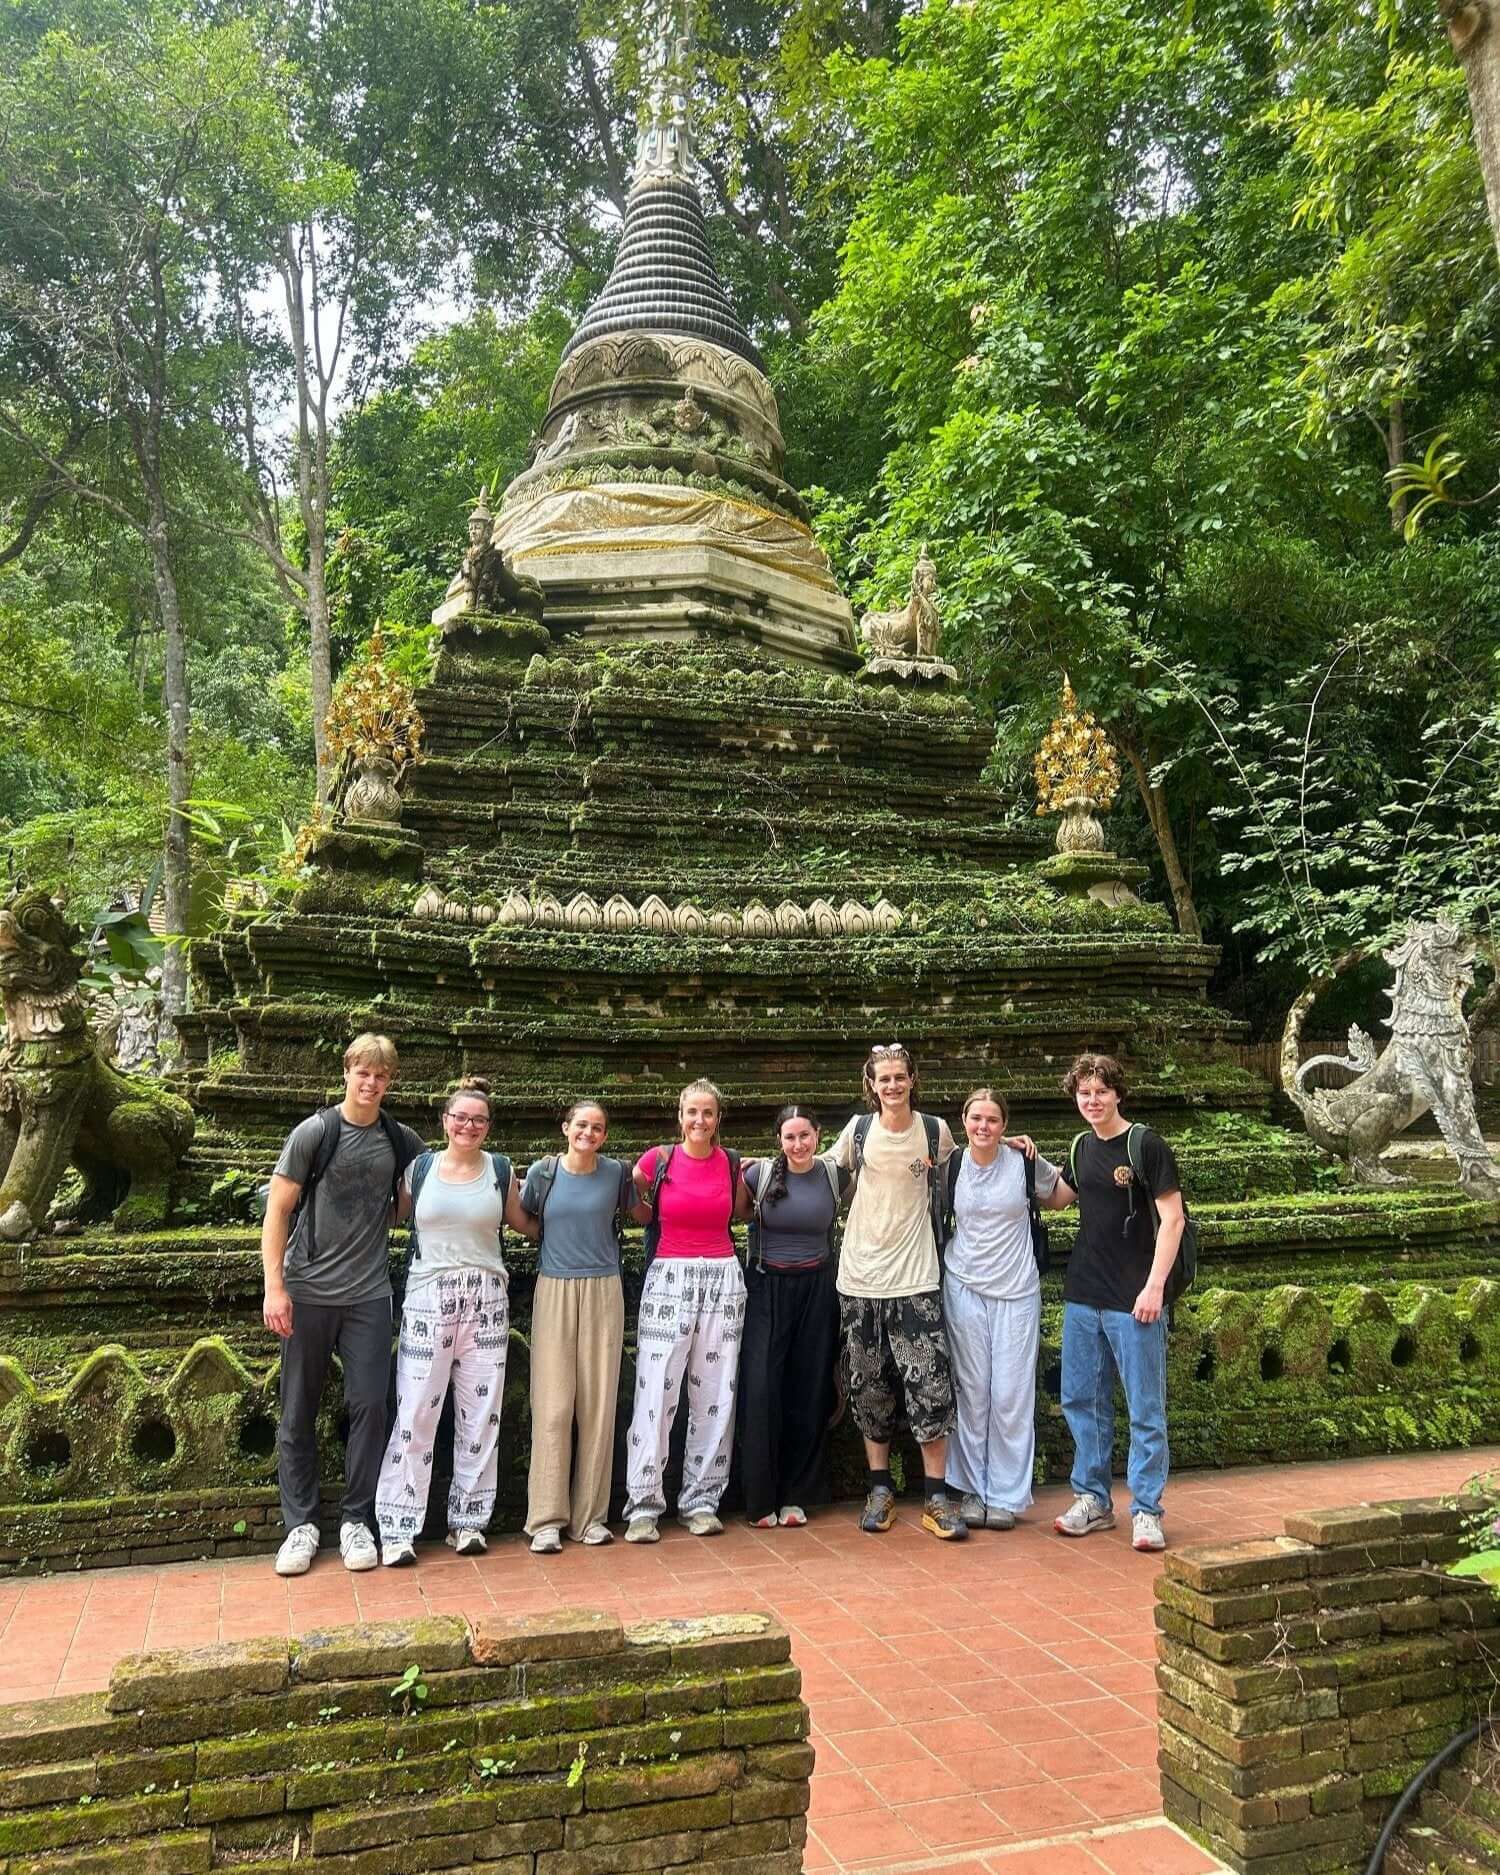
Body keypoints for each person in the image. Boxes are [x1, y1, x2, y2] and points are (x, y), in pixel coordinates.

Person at [261, 1033, 425, 1577]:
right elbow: (278, 1213)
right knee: (298, 1409)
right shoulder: (316, 1133)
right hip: (307, 1291)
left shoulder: (400, 1140)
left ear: (389, 1081)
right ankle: (301, 1525)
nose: (371, 1083)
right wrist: (275, 1287)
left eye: (381, 1076)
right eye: (363, 1073)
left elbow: (415, 1198)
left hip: (369, 1294)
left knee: (371, 1406)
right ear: (347, 1073)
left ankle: (357, 1520)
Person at [375, 1077, 534, 1566]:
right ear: (444, 1121)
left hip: (486, 1297)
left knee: (481, 1415)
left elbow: (526, 1223)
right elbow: (387, 1219)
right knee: (416, 1411)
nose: (468, 1125)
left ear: (488, 1127)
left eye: (478, 1119)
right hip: (428, 1296)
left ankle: (468, 1520)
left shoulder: (500, 1171)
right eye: (460, 1117)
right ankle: (398, 1526)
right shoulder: (419, 1170)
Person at [829, 1044, 967, 1540]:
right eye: (883, 1079)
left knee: (930, 1384)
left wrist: (1013, 1145)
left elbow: (966, 1168)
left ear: (913, 1079)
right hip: (860, 1279)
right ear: (872, 1085)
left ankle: (936, 1495)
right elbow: (825, 1175)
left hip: (917, 1279)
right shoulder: (857, 1132)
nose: (892, 1086)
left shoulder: (934, 1130)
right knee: (870, 1387)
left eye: (899, 1077)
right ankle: (881, 1488)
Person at [1050, 1052, 1184, 1554]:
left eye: (1101, 1091)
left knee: (1145, 1407)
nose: (1092, 1100)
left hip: (1135, 1299)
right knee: (1082, 1400)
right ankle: (1093, 1499)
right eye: (1084, 1093)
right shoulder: (1083, 1146)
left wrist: (1154, 1287)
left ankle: (1146, 1509)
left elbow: (1173, 1220)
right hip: (1084, 1294)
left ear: (1118, 1093)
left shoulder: (1145, 1144)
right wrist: (1011, 1152)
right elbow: (1059, 1197)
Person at [622, 1078, 750, 1543]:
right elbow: (634, 1204)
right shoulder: (657, 1160)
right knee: (656, 1390)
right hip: (669, 1276)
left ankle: (701, 1499)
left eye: (708, 1113)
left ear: (718, 1119)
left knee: (716, 1394)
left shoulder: (729, 1164)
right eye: (692, 1112)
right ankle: (643, 1503)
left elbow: (743, 1212)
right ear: (680, 1116)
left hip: (721, 1276)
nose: (700, 1121)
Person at [520, 1099, 640, 1554]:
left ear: (605, 1135)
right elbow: (528, 1221)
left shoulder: (616, 1175)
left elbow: (639, 1211)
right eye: (581, 1125)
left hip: (603, 1290)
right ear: (566, 1128)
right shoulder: (543, 1174)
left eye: (598, 1127)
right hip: (554, 1287)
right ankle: (547, 1518)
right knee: (552, 1406)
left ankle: (590, 1516)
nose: (588, 1133)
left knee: (598, 1405)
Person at [940, 1089, 1060, 1531]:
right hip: (965, 1287)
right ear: (963, 1121)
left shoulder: (1023, 1162)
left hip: (1016, 1291)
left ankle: (1006, 1495)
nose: (983, 1127)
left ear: (1005, 1125)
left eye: (992, 1120)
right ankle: (971, 1490)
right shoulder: (951, 1165)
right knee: (972, 1391)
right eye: (976, 1118)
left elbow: (1063, 1195)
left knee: (1011, 1393)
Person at [740, 1106, 851, 1529]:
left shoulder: (834, 1176)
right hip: (768, 1286)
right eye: (790, 1137)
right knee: (763, 1388)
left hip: (818, 1288)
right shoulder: (758, 1176)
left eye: (805, 1135)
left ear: (819, 1135)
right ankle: (760, 1498)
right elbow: (732, 1210)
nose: (798, 1144)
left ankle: (796, 1496)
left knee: (809, 1388)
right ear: (779, 1140)